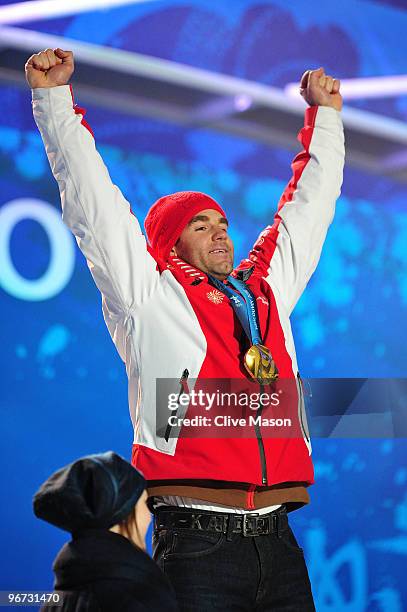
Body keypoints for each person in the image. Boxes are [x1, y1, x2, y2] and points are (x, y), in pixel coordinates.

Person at [26, 47, 344, 611]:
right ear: (169, 244)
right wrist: (54, 101)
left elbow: (309, 209)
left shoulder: (265, 290)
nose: (222, 234)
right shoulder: (147, 296)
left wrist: (326, 119)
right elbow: (93, 206)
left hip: (281, 541)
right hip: (197, 545)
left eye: (223, 223)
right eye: (201, 225)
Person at [33, 451, 179, 611]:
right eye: (144, 503)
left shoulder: (57, 601)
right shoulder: (142, 596)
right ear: (124, 513)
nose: (149, 515)